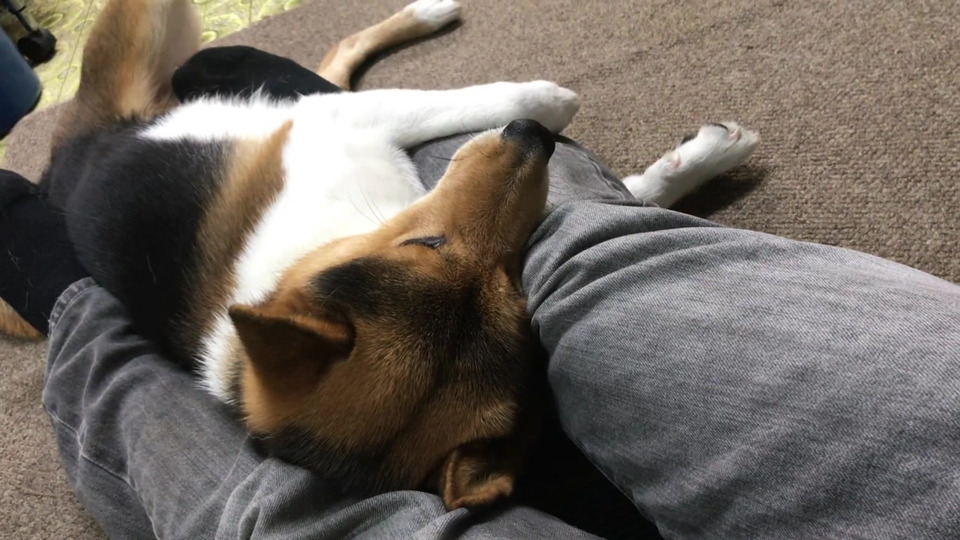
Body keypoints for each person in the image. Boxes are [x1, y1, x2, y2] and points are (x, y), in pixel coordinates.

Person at [2, 47, 959, 539]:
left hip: (289, 344)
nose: (519, 159)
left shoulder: (294, 329)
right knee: (587, 270)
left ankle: (70, 305)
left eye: (432, 244)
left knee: (244, 500)